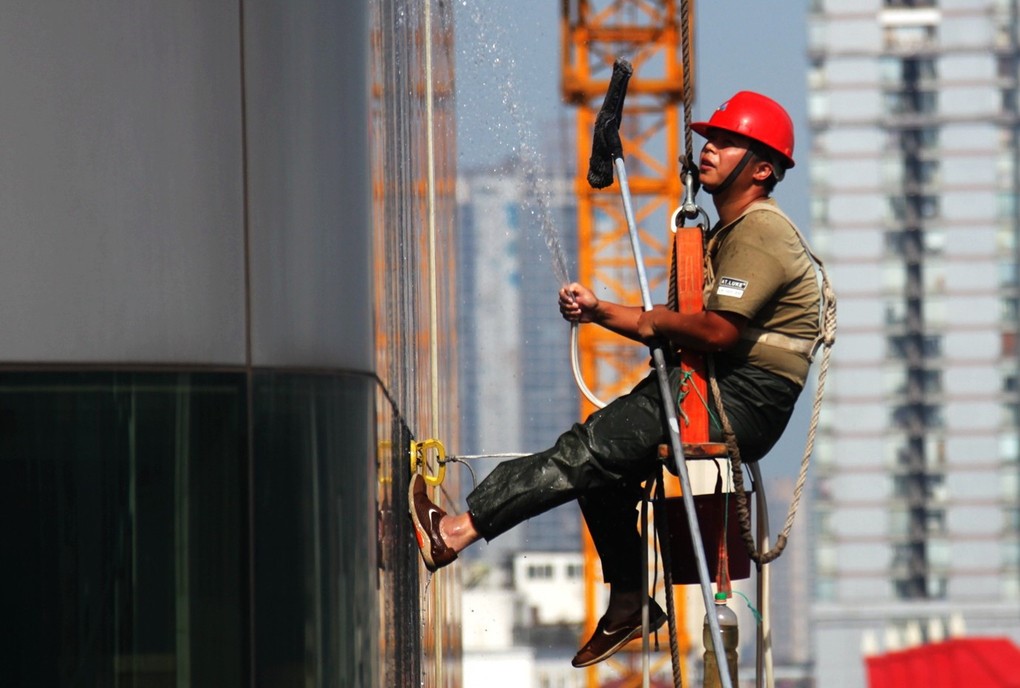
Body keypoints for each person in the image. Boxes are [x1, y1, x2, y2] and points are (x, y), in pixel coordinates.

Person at [410, 91, 821, 668]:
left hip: (739, 396)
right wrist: (601, 310)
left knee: (587, 449)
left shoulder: (761, 232)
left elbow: (719, 332)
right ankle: (630, 601)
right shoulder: (729, 234)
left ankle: (454, 533)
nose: (708, 149)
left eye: (726, 142)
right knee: (602, 474)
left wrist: (653, 320)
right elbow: (682, 328)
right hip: (715, 385)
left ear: (759, 169)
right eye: (710, 138)